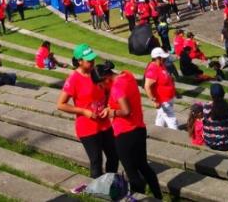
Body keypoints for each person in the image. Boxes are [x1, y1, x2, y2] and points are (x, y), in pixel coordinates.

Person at [94, 62, 162, 200]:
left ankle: (139, 197)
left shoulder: (117, 88)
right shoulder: (127, 75)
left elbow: (126, 111)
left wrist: (111, 112)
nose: (102, 88)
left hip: (125, 134)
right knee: (144, 166)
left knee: (132, 173)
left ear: (106, 79)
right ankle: (158, 197)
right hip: (139, 129)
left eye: (101, 85)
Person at [56, 44, 118, 181]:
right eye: (89, 60)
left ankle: (111, 183)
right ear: (79, 61)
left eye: (93, 59)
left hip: (105, 124)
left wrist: (107, 106)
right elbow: (60, 104)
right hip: (88, 128)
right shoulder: (73, 79)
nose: (92, 62)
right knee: (96, 161)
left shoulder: (96, 73)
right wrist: (83, 111)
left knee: (114, 156)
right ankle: (97, 190)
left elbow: (108, 90)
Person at [143, 47, 178, 129]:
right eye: (163, 57)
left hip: (169, 97)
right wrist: (154, 101)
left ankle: (158, 130)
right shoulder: (152, 69)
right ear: (157, 58)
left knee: (160, 117)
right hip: (162, 100)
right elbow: (147, 86)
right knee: (171, 119)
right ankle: (176, 134)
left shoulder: (162, 65)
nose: (165, 59)